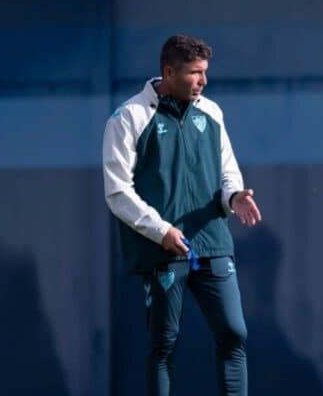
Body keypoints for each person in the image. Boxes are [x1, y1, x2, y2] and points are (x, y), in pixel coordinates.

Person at [102, 34, 262, 396]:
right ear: (169, 72)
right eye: (194, 72)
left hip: (212, 240)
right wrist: (161, 232)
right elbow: (117, 191)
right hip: (163, 248)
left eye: (205, 72)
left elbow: (227, 171)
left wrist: (234, 196)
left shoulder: (212, 111)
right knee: (164, 344)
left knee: (234, 333)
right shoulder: (129, 117)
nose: (203, 81)